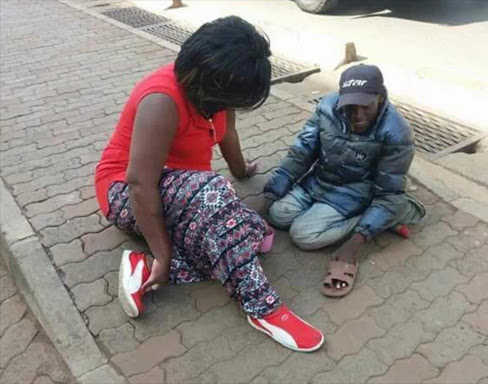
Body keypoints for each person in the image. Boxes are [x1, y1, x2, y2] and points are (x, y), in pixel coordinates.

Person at [94, 16, 323, 352]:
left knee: (251, 235)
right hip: (126, 192)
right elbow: (140, 183)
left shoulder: (216, 93)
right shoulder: (162, 100)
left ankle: (139, 266)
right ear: (210, 83)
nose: (234, 108)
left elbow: (227, 133)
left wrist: (242, 170)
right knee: (219, 205)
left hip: (184, 192)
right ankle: (263, 307)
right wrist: (162, 252)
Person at [264, 64, 425, 298]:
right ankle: (381, 217)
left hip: (354, 192)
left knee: (303, 235)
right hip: (319, 181)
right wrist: (267, 198)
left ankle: (389, 215)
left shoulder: (397, 133)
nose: (357, 115)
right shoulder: (326, 108)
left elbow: (388, 193)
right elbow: (301, 153)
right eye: (350, 106)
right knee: (277, 214)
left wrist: (355, 243)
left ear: (380, 98)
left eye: (365, 107)